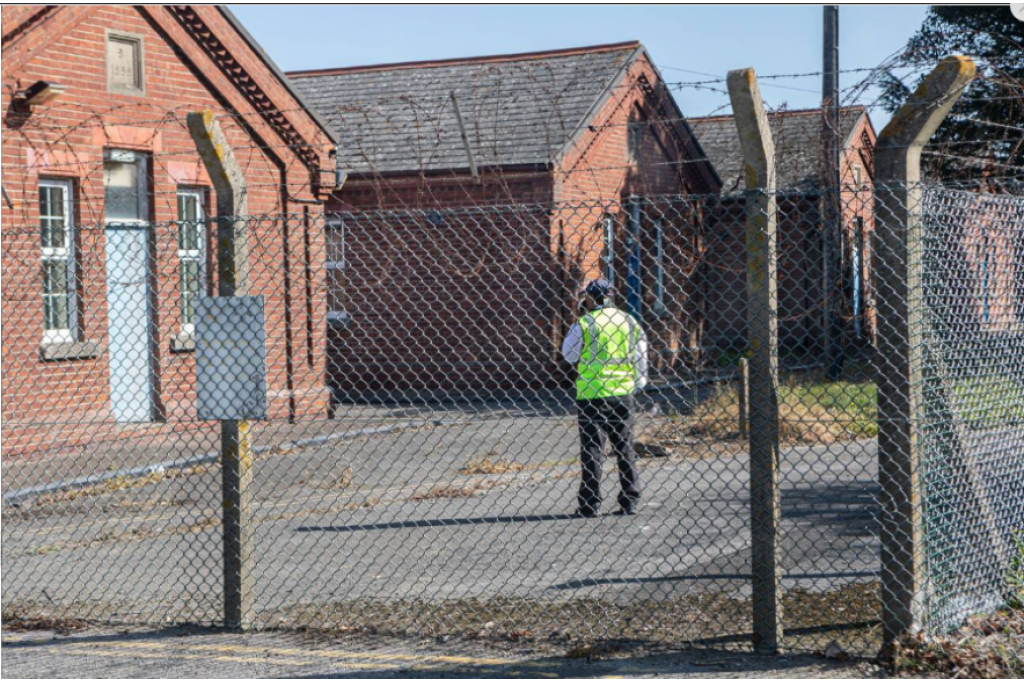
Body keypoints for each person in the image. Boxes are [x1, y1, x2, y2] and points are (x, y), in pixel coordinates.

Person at [561, 278, 648, 517]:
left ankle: (590, 503)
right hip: (622, 393)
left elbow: (568, 355)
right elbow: (641, 354)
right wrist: (638, 383)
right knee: (625, 447)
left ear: (589, 297)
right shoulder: (628, 321)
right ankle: (630, 499)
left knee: (592, 449)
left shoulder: (586, 322)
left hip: (592, 394)